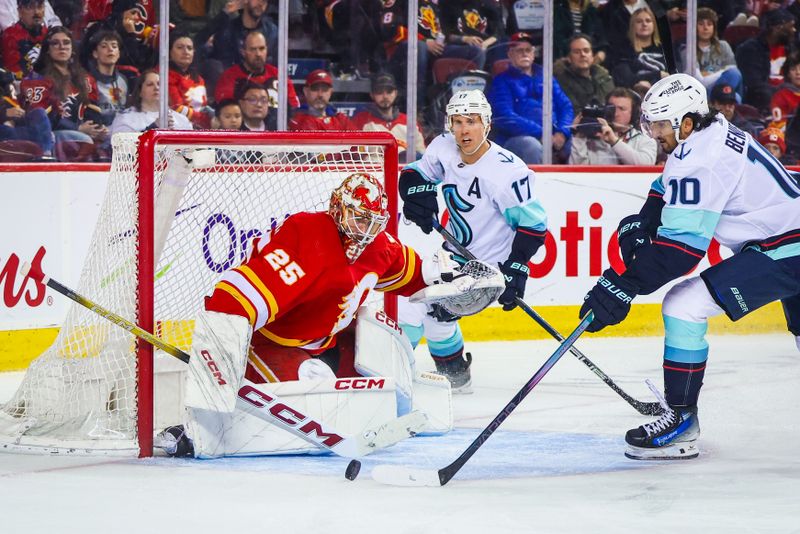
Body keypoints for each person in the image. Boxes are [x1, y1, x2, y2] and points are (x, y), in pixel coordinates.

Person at [159, 172, 463, 456]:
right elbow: (232, 301)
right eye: (360, 220)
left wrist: (450, 277)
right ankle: (198, 431)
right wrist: (220, 368)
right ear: (338, 209)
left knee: (380, 383)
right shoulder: (307, 237)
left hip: (327, 342)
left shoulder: (378, 244)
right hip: (270, 344)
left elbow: (410, 273)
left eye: (375, 222)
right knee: (315, 384)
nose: (368, 232)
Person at [579, 73, 800, 461]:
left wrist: (618, 285)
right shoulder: (709, 129)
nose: (653, 133)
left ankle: (681, 422)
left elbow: (680, 253)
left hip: (787, 246)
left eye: (660, 124)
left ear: (685, 122)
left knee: (684, 305)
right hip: (785, 237)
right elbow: (666, 185)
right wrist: (646, 220)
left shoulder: (703, 158)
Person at [398, 89, 548, 391]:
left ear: (487, 124)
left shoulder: (508, 172)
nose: (464, 129)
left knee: (413, 306)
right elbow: (415, 174)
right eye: (457, 121)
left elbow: (534, 226)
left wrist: (516, 267)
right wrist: (418, 197)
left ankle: (395, 379)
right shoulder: (443, 148)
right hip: (451, 259)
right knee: (434, 315)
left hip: (488, 271)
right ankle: (455, 374)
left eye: (472, 121)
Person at [487, 31, 574, 164]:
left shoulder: (546, 77)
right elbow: (505, 116)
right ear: (510, 54)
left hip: (553, 135)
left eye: (528, 50)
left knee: (576, 145)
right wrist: (542, 133)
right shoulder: (501, 81)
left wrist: (562, 132)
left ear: (533, 54)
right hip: (516, 139)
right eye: (519, 50)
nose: (524, 53)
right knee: (531, 146)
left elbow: (565, 106)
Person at [22, 26, 106, 155]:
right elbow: (42, 118)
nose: (62, 47)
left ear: (72, 48)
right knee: (84, 140)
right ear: (47, 50)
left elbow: (92, 110)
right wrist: (77, 128)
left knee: (110, 140)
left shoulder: (86, 78)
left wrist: (98, 128)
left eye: (66, 42)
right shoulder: (36, 79)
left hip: (81, 131)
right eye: (55, 43)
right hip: (51, 135)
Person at [195, 0, 278, 96]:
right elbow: (198, 42)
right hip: (230, 90)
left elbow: (276, 66)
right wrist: (225, 13)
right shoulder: (227, 30)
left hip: (262, 90)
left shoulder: (272, 32)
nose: (261, 4)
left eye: (265, 1)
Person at [213, 29, 299, 110]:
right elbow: (225, 113)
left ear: (266, 50)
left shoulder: (279, 75)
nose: (258, 54)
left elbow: (294, 107)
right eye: (253, 49)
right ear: (243, 52)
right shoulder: (229, 77)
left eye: (261, 49)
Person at [569, 87, 657, 165]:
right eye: (611, 108)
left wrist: (614, 141)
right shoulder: (592, 137)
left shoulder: (645, 140)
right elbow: (577, 170)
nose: (615, 113)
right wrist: (578, 138)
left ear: (633, 113)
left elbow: (646, 165)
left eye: (622, 109)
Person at [352, 72, 426, 161]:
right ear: (372, 95)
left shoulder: (409, 122)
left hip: (404, 172)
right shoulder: (360, 121)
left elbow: (421, 154)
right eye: (379, 92)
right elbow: (355, 156)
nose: (385, 96)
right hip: (374, 172)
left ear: (395, 93)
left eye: (389, 91)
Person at [735, 8, 796, 113]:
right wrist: (785, 91)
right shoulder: (750, 49)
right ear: (778, 27)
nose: (794, 30)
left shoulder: (790, 49)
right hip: (763, 104)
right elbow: (754, 86)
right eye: (791, 26)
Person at [678, 7, 743, 102]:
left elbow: (733, 74)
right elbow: (699, 81)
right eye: (701, 24)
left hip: (721, 90)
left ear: (714, 27)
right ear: (694, 27)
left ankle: (723, 102)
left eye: (709, 24)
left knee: (736, 88)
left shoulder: (723, 46)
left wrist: (708, 74)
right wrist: (722, 72)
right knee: (733, 75)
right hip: (699, 94)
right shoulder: (687, 50)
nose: (705, 28)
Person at [109, 70, 193, 135]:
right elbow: (124, 150)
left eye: (159, 84)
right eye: (150, 84)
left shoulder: (181, 120)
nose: (156, 87)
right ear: (140, 92)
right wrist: (153, 128)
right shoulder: (126, 119)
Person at [84, 29, 136, 129]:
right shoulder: (88, 81)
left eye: (114, 46)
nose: (110, 49)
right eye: (104, 46)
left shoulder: (124, 79)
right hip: (100, 130)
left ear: (119, 54)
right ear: (95, 54)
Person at [608, 6, 670, 90]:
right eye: (639, 21)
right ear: (633, 25)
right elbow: (625, 79)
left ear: (654, 25)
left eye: (648, 21)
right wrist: (657, 75)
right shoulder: (623, 50)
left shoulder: (665, 49)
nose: (644, 24)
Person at [553, 34, 615, 114]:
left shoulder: (604, 77)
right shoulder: (560, 81)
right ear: (568, 58)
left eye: (586, 51)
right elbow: (574, 111)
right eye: (577, 52)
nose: (583, 55)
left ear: (592, 55)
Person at [167, 31, 212, 129]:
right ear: (169, 52)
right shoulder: (164, 75)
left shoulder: (198, 79)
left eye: (189, 48)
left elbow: (204, 107)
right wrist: (206, 120)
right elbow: (177, 107)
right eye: (180, 47)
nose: (186, 51)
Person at [288, 69, 354, 131]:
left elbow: (359, 142)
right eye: (315, 89)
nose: (320, 95)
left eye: (325, 89)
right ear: (306, 91)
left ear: (331, 92)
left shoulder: (341, 119)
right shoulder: (298, 120)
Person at [1, 0, 49, 81]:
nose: (36, 12)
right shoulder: (10, 35)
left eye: (39, 6)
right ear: (19, 11)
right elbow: (14, 74)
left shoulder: (48, 34)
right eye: (30, 7)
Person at [769, 51, 800, 131]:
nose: (798, 73)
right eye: (793, 69)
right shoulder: (781, 95)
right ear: (788, 74)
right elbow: (778, 124)